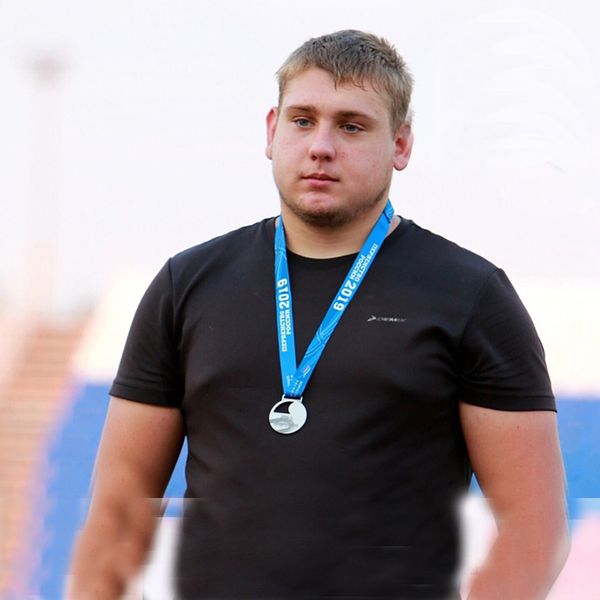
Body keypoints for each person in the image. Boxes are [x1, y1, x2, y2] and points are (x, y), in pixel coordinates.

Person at [67, 30, 569, 599]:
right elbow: (117, 511)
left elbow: (536, 531)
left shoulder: (470, 295)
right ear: (271, 131)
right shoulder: (187, 285)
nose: (321, 146)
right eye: (302, 120)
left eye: (351, 126)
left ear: (401, 144)